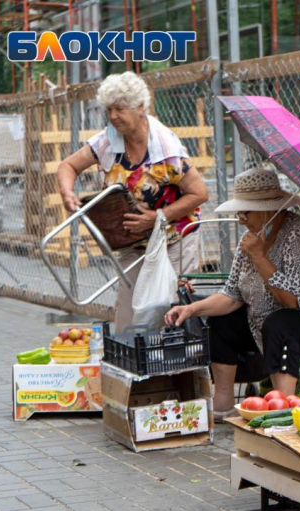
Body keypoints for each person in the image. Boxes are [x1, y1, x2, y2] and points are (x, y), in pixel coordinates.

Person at [164, 167, 300, 420]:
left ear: (268, 208)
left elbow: (293, 302)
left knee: (280, 323)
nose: (241, 218)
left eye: (246, 211)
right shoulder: (252, 237)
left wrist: (259, 256)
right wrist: (191, 309)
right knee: (223, 320)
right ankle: (223, 406)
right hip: (277, 319)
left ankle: (282, 410)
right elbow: (231, 295)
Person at [57, 71, 209, 333]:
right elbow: (68, 165)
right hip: (132, 240)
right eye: (109, 110)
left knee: (170, 306)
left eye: (120, 109)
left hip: (175, 238)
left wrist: (158, 217)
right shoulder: (107, 141)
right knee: (128, 313)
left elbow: (199, 194)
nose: (113, 116)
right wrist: (67, 191)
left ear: (140, 107)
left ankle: (182, 370)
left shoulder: (166, 150)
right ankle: (130, 367)